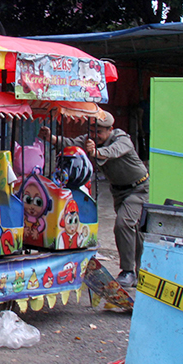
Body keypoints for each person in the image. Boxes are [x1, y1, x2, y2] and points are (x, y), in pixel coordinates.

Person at [38, 110, 148, 287]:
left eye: (99, 132)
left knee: (124, 224)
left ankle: (129, 271)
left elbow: (114, 151)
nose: (95, 135)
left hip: (139, 189)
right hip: (118, 191)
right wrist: (51, 138)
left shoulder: (122, 138)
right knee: (133, 231)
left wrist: (96, 152)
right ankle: (139, 272)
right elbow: (70, 143)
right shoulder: (90, 141)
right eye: (92, 131)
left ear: (110, 129)